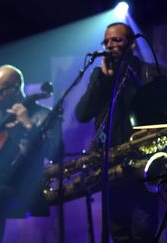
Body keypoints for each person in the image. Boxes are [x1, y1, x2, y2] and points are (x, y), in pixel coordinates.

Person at [75, 22, 163, 242]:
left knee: (143, 233)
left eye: (117, 40)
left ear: (132, 44)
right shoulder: (100, 76)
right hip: (113, 167)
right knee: (119, 233)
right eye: (106, 41)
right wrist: (104, 79)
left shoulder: (149, 72)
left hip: (143, 165)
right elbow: (82, 113)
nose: (110, 45)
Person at [0, 65, 61, 243]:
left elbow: (56, 152)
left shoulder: (44, 115)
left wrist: (28, 125)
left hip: (22, 183)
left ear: (15, 87)